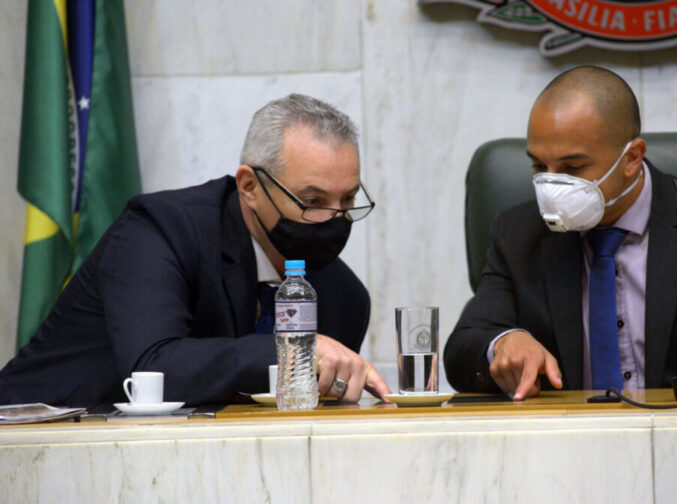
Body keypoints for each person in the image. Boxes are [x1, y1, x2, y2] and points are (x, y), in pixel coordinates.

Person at [0, 94, 391, 407]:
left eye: (348, 200)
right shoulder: (159, 230)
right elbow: (152, 369)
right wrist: (287, 350)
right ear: (250, 187)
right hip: (37, 447)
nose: (334, 219)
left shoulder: (343, 298)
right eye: (313, 200)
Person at [445, 66, 677, 400]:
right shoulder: (519, 233)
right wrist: (503, 342)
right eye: (539, 167)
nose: (552, 186)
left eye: (572, 168)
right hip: (565, 438)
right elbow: (462, 351)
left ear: (631, 158)